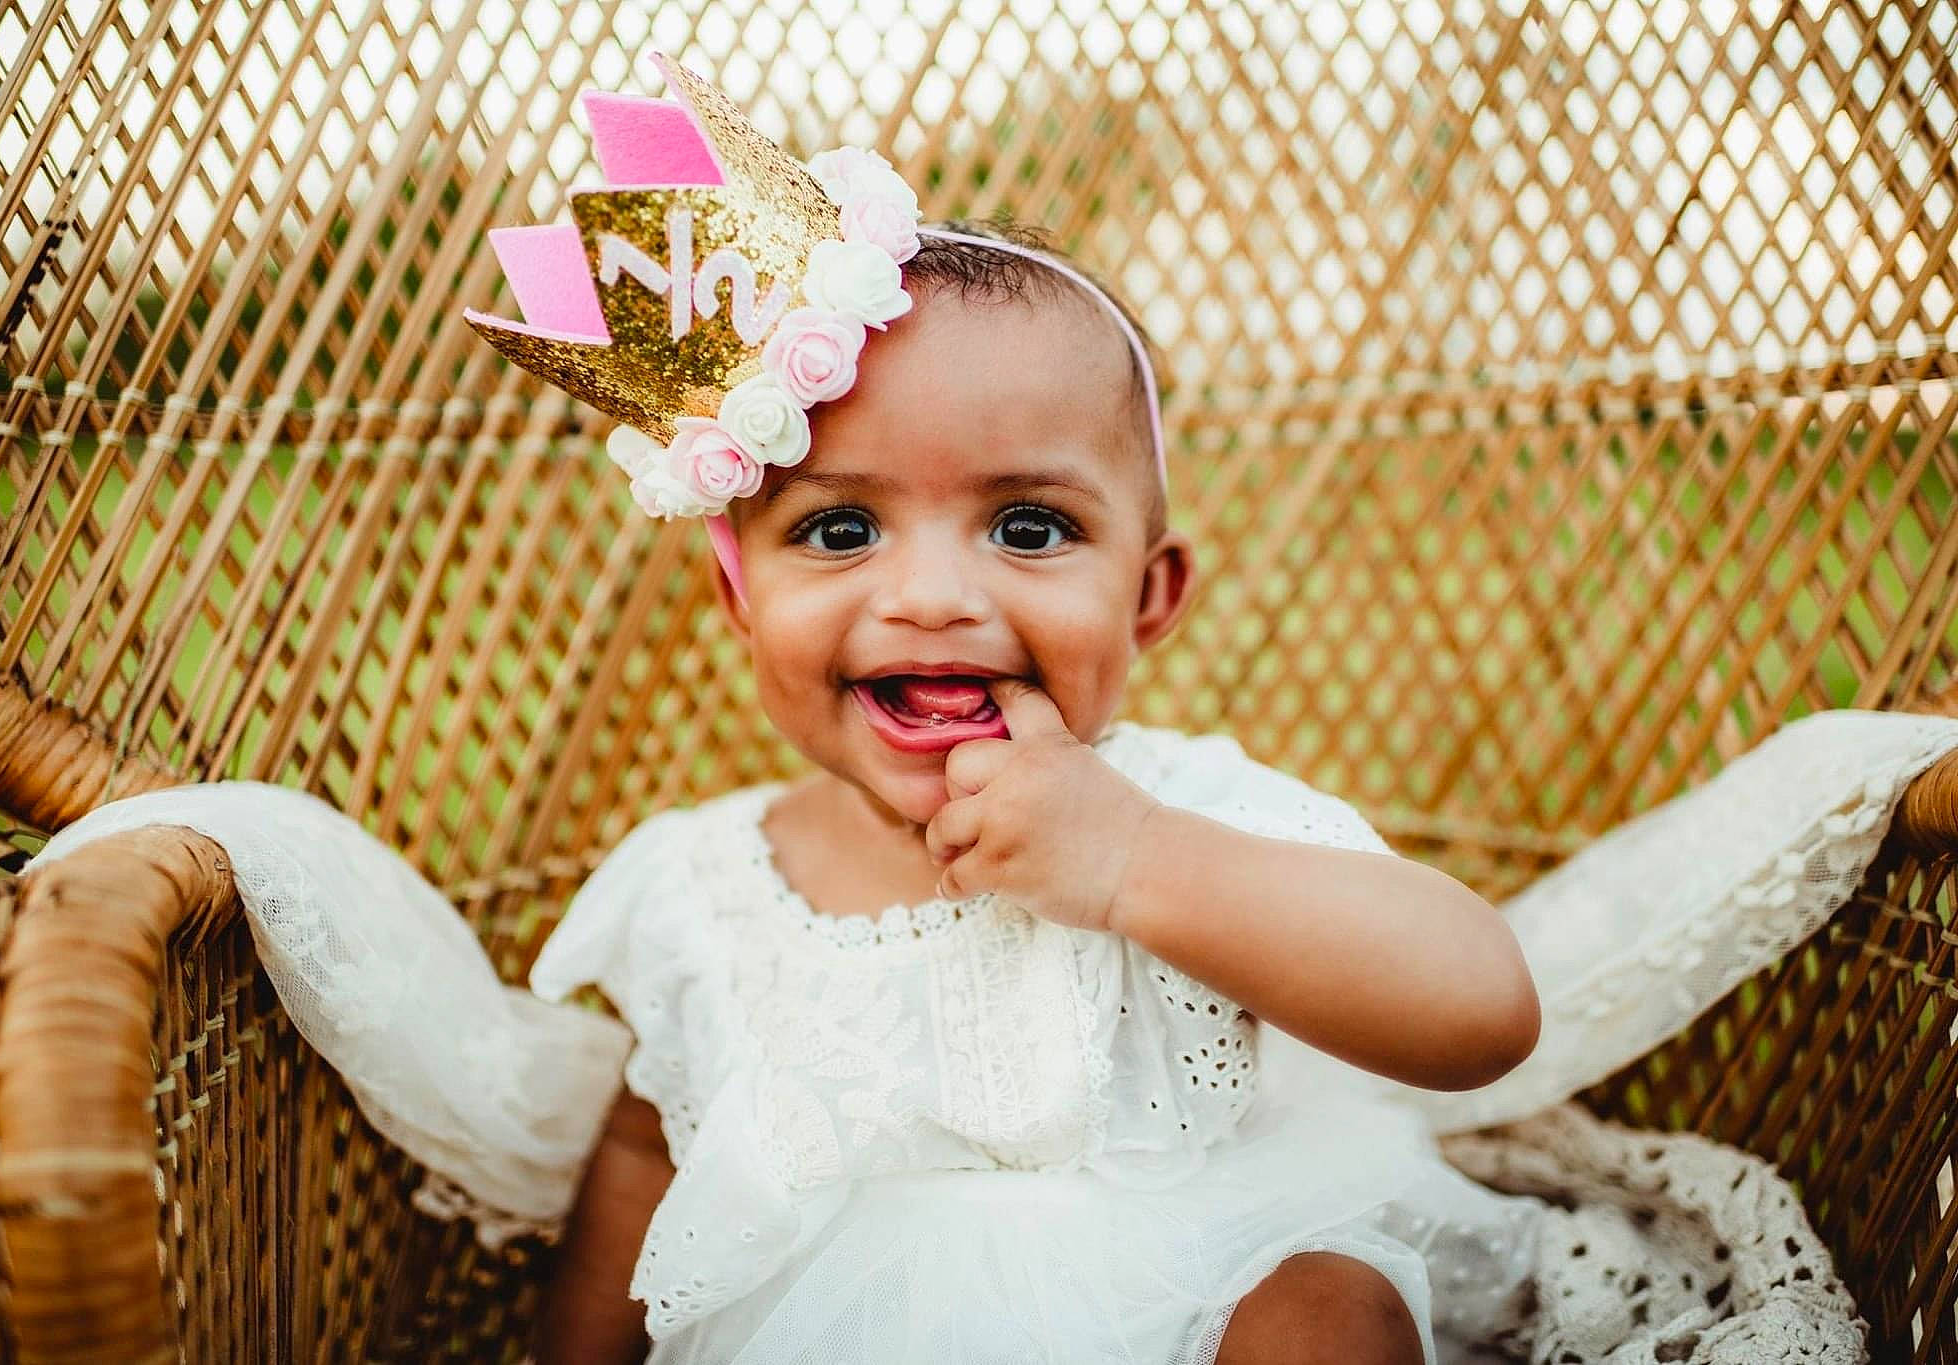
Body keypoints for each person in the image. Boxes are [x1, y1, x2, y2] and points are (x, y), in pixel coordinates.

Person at [466, 53, 1550, 1365]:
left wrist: (1135, 862)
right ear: (739, 595)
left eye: (1028, 527)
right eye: (841, 528)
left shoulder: (1180, 811)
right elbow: (650, 1159)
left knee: (1328, 1311)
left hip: (1184, 1300)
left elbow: (1480, 1011)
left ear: (1149, 596)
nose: (931, 597)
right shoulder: (703, 887)